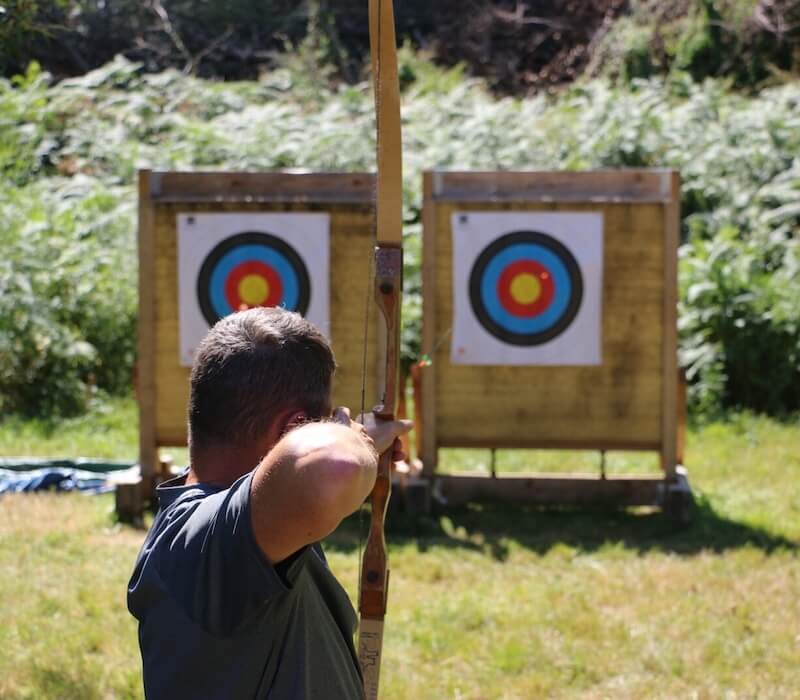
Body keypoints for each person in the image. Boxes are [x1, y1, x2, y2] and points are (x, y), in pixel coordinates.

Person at [127, 307, 411, 699]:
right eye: (318, 424)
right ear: (294, 430)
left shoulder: (251, 525)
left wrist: (359, 435)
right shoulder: (203, 542)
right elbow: (334, 467)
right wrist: (354, 440)